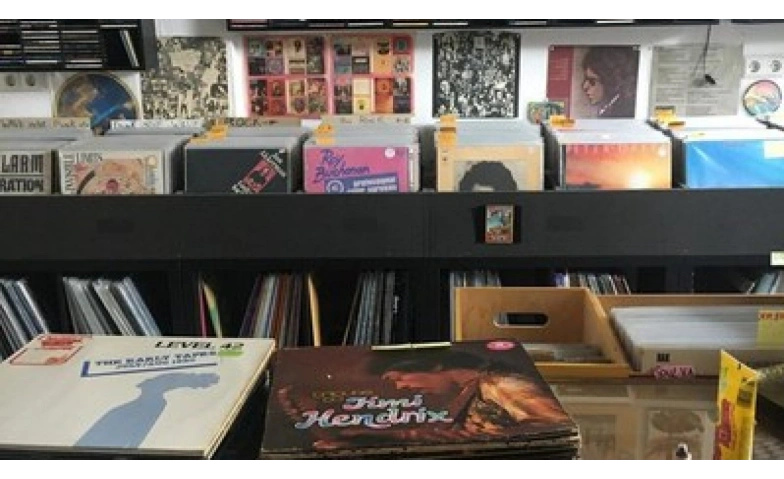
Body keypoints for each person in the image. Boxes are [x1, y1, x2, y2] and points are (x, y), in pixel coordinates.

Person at [580, 46, 638, 118]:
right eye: (585, 79)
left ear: (609, 82)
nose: (584, 86)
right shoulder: (609, 109)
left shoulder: (622, 112)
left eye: (592, 81)